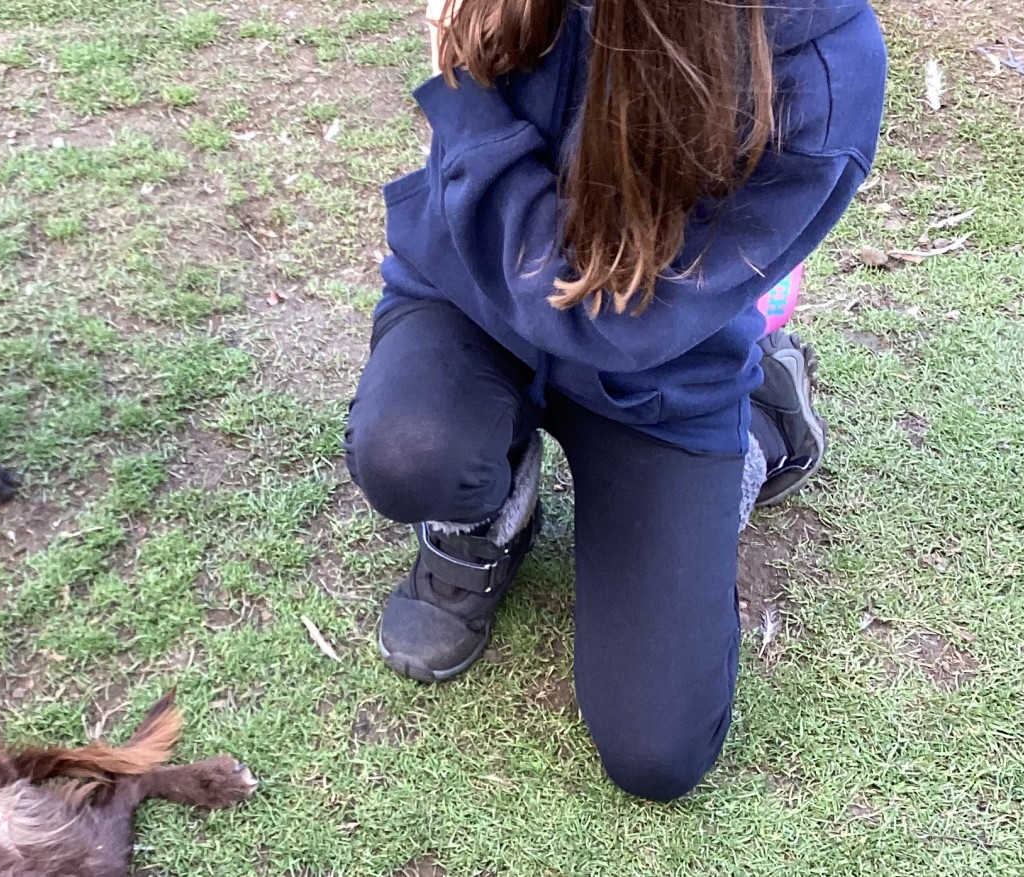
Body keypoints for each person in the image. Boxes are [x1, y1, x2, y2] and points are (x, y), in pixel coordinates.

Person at [343, 0, 886, 801]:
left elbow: (619, 321)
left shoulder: (821, 63)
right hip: (479, 285)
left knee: (657, 751)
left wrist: (459, 99)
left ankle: (762, 426)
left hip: (658, 359)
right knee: (406, 449)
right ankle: (485, 514)